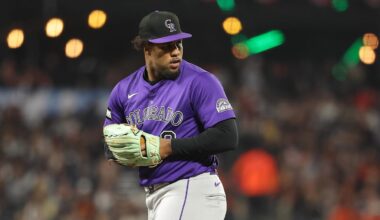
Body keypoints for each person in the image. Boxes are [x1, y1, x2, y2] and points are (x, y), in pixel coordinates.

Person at [103, 10, 238, 220]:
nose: (175, 52)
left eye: (179, 44)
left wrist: (168, 147)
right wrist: (120, 152)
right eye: (167, 46)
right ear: (147, 48)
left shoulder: (200, 81)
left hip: (192, 187)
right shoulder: (123, 90)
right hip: (156, 196)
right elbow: (111, 142)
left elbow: (227, 135)